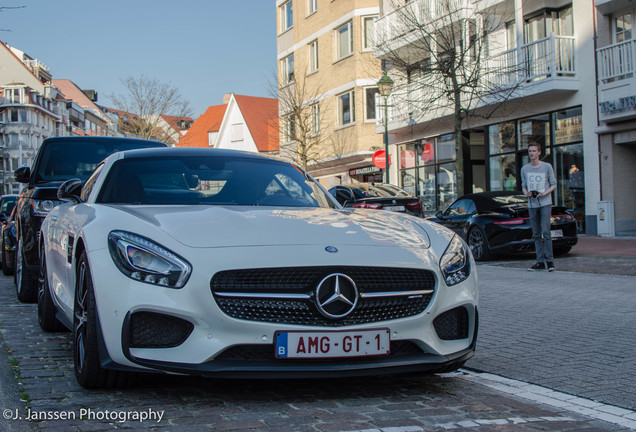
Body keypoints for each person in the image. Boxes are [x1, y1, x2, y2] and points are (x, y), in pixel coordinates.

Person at [521, 143, 557, 272]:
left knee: (546, 232)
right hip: (532, 204)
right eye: (530, 151)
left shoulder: (547, 167)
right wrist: (526, 193)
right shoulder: (525, 169)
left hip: (545, 203)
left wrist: (544, 193)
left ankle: (550, 261)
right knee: (536, 234)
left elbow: (553, 184)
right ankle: (539, 261)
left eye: (534, 151)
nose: (532, 153)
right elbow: (524, 185)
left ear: (539, 152)